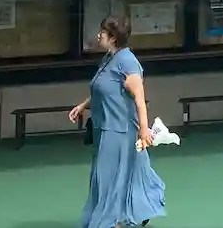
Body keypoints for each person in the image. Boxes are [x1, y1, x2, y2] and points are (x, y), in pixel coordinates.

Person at [69, 17, 165, 228]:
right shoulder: (107, 59)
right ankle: (135, 211)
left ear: (113, 37)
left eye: (102, 32)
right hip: (103, 128)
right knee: (124, 174)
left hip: (120, 130)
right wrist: (83, 106)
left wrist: (143, 130)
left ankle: (111, 220)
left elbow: (139, 99)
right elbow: (104, 89)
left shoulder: (128, 62)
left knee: (108, 177)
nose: (98, 35)